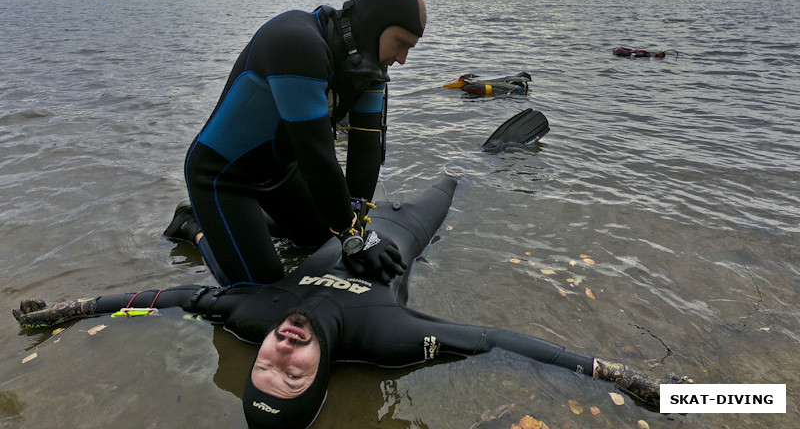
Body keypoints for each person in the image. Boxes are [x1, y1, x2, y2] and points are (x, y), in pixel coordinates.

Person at [14, 178, 686, 429]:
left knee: (232, 244)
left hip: (336, 215)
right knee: (453, 181)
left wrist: (70, 310)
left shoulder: (254, 318)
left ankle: (191, 223)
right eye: (295, 374)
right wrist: (618, 377)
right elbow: (498, 342)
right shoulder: (385, 340)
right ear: (321, 377)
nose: (280, 349)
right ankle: (746, 400)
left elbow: (163, 297)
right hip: (399, 227)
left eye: (266, 365)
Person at [180, 0, 426, 288]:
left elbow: (365, 152)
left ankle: (247, 224)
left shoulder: (368, 65)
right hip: (223, 177)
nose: (403, 59)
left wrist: (357, 229)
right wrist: (354, 238)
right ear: (376, 25)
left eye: (411, 47)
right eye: (401, 43)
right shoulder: (299, 45)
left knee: (319, 239)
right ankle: (194, 225)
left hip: (281, 173)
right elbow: (317, 159)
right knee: (265, 290)